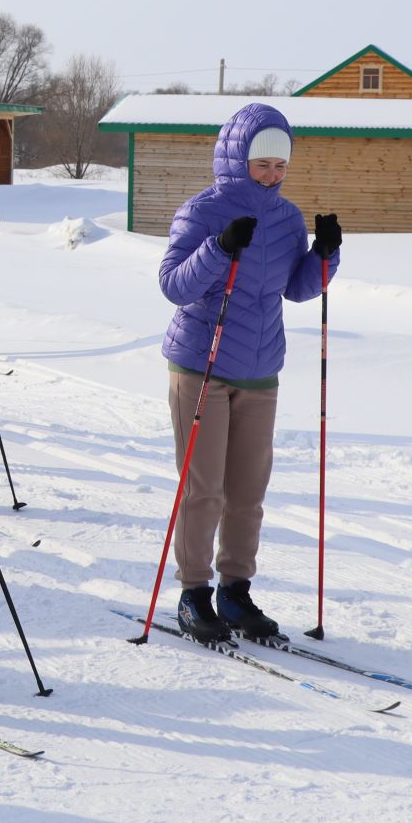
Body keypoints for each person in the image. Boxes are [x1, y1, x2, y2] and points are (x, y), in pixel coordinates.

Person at [158, 102, 339, 643]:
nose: (273, 174)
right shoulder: (202, 210)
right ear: (238, 159)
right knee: (204, 489)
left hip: (261, 368)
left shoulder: (286, 217)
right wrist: (218, 247)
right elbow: (173, 285)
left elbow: (298, 288)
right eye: (263, 164)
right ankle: (194, 593)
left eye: (281, 165)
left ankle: (235, 591)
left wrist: (325, 254)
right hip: (202, 363)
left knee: (247, 492)